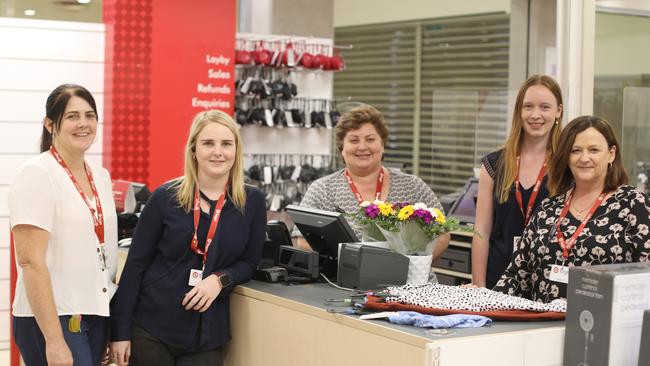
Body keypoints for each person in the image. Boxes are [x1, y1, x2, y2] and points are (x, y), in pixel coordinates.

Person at [108, 110, 266, 366]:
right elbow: (136, 265)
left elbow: (250, 262)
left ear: (236, 150)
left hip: (207, 335)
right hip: (151, 328)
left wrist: (220, 279)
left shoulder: (252, 201)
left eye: (226, 144)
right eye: (208, 143)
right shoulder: (165, 197)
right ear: (193, 150)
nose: (218, 152)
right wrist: (120, 332)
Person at [10, 84, 118, 365]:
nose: (83, 123)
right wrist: (55, 341)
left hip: (94, 314)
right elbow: (29, 261)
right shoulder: (37, 173)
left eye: (90, 115)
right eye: (72, 116)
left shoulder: (101, 176)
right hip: (52, 319)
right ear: (50, 124)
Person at [493, 116, 650, 302]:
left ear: (611, 154)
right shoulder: (547, 209)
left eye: (594, 150)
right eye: (575, 151)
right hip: (541, 326)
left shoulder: (633, 203)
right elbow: (516, 277)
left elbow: (645, 277)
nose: (584, 158)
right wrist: (481, 300)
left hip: (601, 326)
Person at [297, 105, 450, 260]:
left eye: (370, 139)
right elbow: (302, 241)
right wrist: (348, 262)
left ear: (382, 145)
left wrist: (415, 266)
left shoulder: (413, 186)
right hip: (345, 282)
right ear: (342, 148)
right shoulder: (322, 190)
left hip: (408, 282)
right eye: (354, 140)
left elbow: (443, 233)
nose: (362, 147)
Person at [471, 74, 564, 289]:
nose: (535, 115)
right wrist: (478, 286)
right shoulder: (494, 165)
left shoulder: (566, 166)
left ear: (558, 111)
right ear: (519, 112)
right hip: (499, 280)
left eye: (545, 107)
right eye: (528, 107)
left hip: (548, 283)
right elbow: (481, 231)